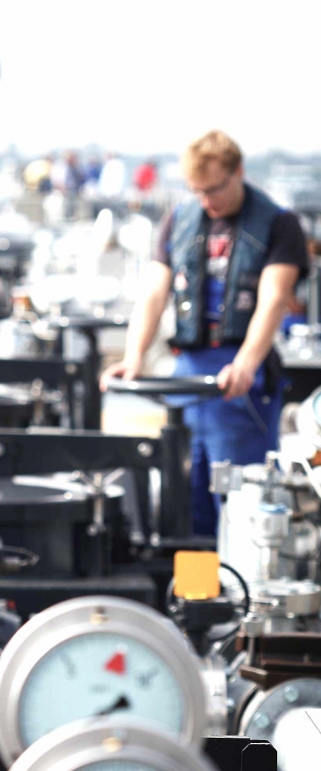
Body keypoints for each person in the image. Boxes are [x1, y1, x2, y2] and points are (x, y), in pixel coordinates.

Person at [101, 130, 308, 536]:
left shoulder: (279, 224)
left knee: (238, 502)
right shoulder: (180, 221)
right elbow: (154, 293)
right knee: (184, 495)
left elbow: (272, 300)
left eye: (214, 189)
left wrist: (245, 364)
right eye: (198, 192)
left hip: (239, 383)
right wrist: (134, 356)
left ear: (238, 172)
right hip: (187, 375)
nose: (207, 202)